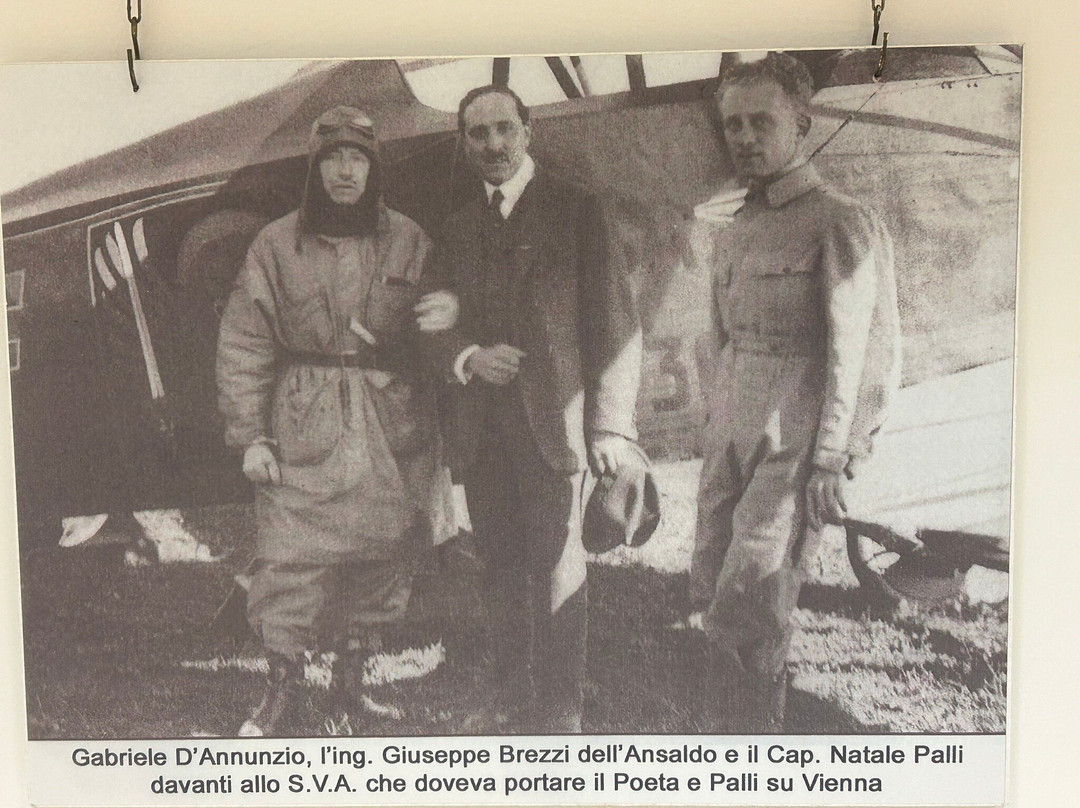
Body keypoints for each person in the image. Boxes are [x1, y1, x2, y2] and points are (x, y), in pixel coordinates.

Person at [216, 106, 456, 736]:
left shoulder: (409, 239)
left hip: (390, 420)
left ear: (373, 169)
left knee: (385, 552)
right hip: (305, 421)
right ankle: (282, 689)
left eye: (357, 159)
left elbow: (444, 324)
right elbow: (244, 344)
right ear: (314, 169)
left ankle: (350, 688)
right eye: (332, 159)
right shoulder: (275, 245)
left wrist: (447, 312)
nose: (345, 171)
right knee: (289, 559)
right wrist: (251, 437)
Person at [689, 52, 901, 731]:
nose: (745, 137)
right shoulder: (734, 228)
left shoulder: (840, 221)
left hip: (796, 438)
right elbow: (719, 340)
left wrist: (835, 457)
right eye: (733, 125)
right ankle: (731, 735)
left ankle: (753, 741)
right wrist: (716, 426)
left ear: (801, 124)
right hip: (732, 432)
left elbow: (863, 352)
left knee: (753, 593)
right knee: (712, 580)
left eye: (762, 122)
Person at [421, 84, 643, 733]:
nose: (492, 144)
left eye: (504, 129)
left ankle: (560, 706)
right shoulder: (458, 227)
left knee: (557, 562)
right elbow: (428, 319)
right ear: (463, 143)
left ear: (528, 131)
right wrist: (468, 357)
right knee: (498, 564)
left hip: (555, 427)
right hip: (483, 430)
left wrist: (610, 425)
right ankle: (507, 693)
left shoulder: (576, 209)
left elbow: (615, 322)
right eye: (478, 133)